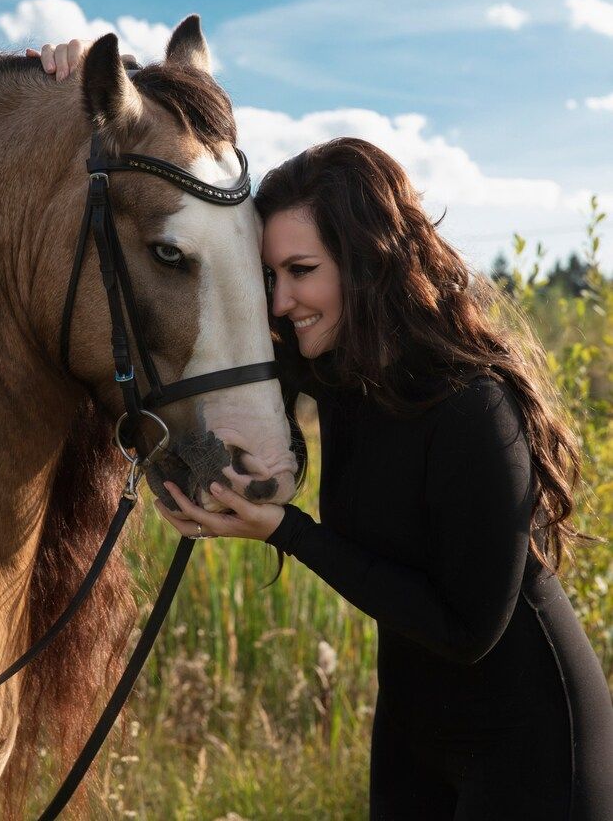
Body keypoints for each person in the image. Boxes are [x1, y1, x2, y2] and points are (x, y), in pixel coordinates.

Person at [33, 42, 613, 820]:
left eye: (301, 272)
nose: (279, 302)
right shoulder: (337, 375)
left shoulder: (474, 407)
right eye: (271, 276)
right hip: (410, 737)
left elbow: (466, 628)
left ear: (367, 264)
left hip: (536, 747)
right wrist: (93, 83)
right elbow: (204, 361)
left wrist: (286, 532)